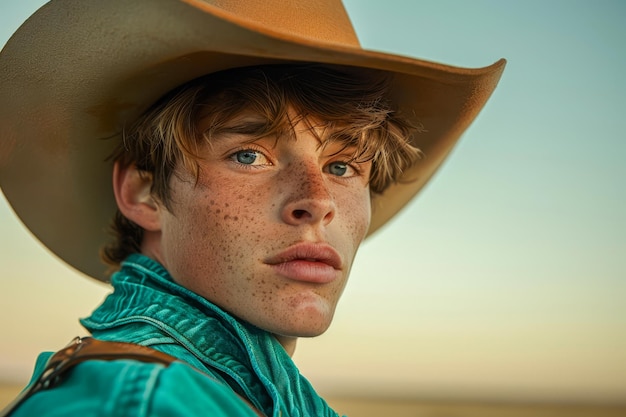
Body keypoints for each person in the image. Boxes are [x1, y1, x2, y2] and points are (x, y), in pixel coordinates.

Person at [0, 1, 505, 416]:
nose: (317, 201)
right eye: (249, 155)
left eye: (343, 167)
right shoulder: (144, 405)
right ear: (143, 193)